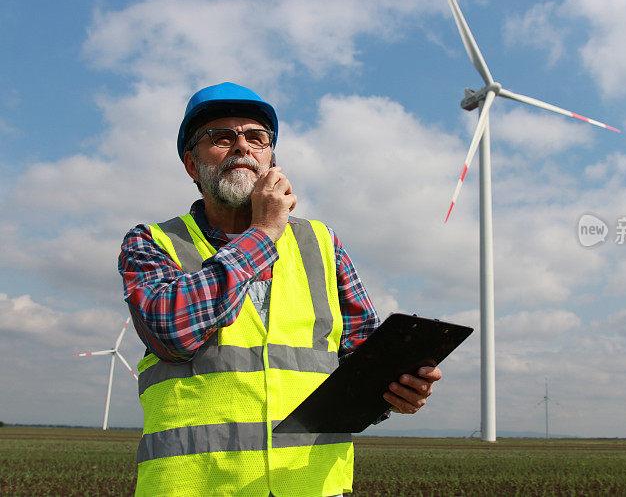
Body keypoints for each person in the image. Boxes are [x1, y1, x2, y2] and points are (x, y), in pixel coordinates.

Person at [118, 82, 442, 496]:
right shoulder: (151, 242)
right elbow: (172, 332)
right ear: (191, 164)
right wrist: (264, 231)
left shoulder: (322, 242)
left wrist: (394, 394)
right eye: (221, 138)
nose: (242, 148)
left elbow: (360, 364)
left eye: (257, 138)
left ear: (271, 158)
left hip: (313, 487)